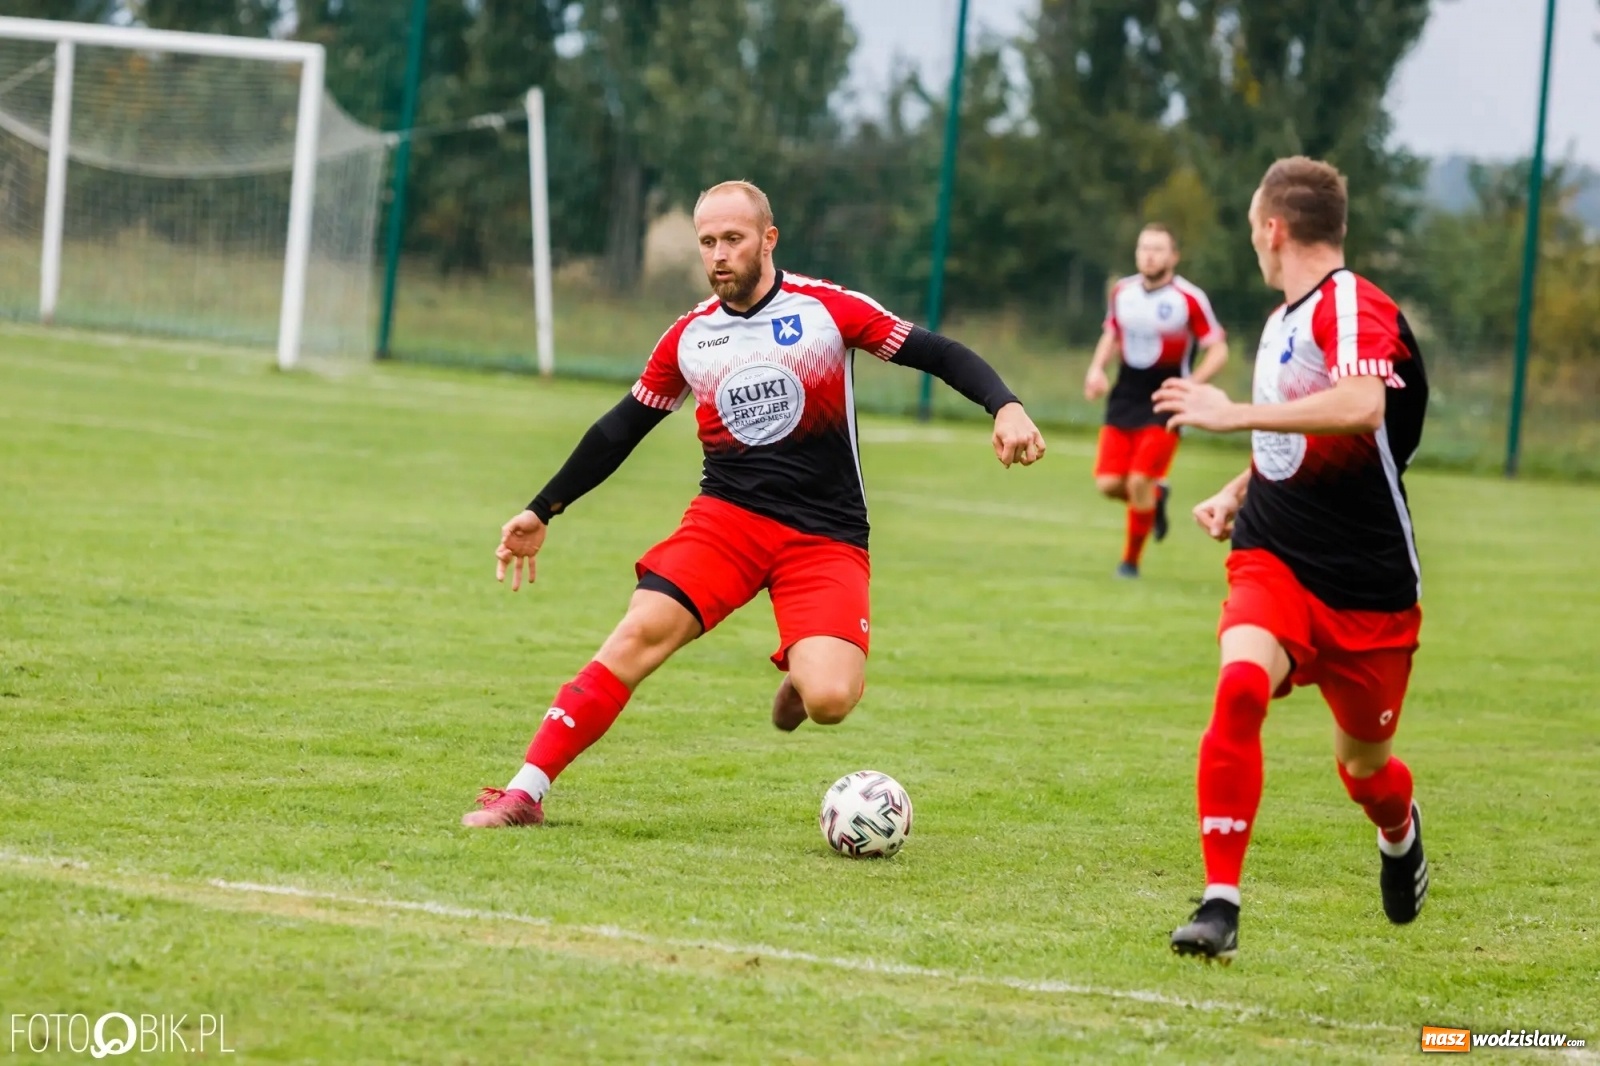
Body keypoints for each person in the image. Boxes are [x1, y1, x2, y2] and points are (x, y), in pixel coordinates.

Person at [463, 179, 1047, 828]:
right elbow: (621, 428)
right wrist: (543, 508)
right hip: (726, 523)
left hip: (825, 535)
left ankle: (803, 676)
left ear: (768, 240)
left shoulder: (825, 310)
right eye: (707, 242)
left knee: (829, 700)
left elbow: (937, 352)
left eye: (733, 240)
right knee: (635, 636)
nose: (718, 255)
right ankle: (524, 791)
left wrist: (1007, 405)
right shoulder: (691, 336)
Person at [1153, 157, 1431, 961]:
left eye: (1251, 230)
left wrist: (1228, 413)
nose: (1253, 244)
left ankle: (1398, 830)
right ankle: (1219, 903)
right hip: (1274, 554)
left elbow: (1360, 407)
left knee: (1366, 769)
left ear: (1273, 228)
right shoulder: (1284, 319)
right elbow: (1298, 430)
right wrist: (1241, 487)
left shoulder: (1354, 304)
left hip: (1369, 587)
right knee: (1240, 685)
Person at [1083, 224, 1228, 578]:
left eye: (1158, 249)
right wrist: (1096, 369)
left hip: (1166, 399)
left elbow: (1218, 348)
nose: (1149, 254)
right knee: (1108, 484)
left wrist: (1191, 384)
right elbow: (1112, 333)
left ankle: (1130, 563)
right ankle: (1157, 499)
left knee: (1137, 482)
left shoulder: (1188, 298)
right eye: (1144, 248)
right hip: (1125, 394)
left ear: (1173, 256)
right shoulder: (1122, 291)